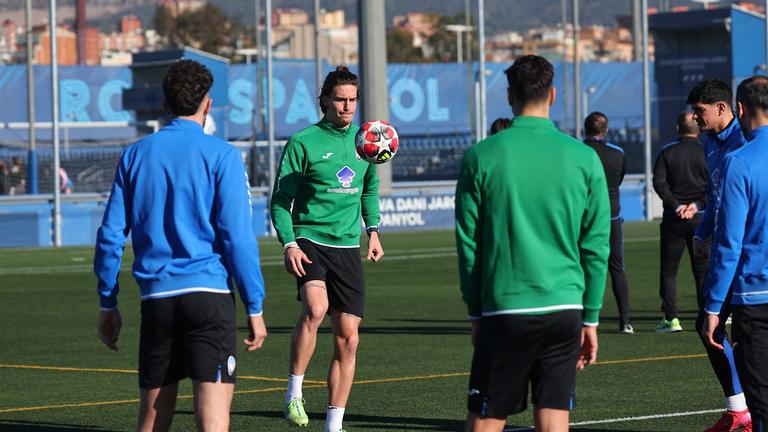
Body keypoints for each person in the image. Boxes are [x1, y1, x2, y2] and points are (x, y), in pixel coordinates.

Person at [93, 59, 267, 432]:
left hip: (156, 301)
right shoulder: (222, 155)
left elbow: (110, 236)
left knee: (153, 419)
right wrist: (254, 304)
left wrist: (108, 302)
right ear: (207, 104)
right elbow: (237, 237)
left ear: (165, 103)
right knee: (213, 421)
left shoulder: (135, 155)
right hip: (209, 297)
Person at [456, 55, 610, 432]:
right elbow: (596, 245)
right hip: (565, 308)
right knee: (554, 418)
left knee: (487, 420)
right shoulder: (584, 158)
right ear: (553, 94)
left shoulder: (481, 156)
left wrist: (476, 312)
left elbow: (468, 245)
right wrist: (590, 316)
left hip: (506, 308)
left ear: (509, 96)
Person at [271, 65, 383, 432]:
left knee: (349, 339)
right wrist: (288, 243)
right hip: (309, 239)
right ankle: (294, 394)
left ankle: (333, 424)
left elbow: (369, 190)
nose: (347, 107)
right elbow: (280, 201)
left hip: (347, 246)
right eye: (340, 99)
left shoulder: (366, 143)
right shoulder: (303, 142)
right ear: (324, 101)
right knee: (316, 309)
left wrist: (374, 230)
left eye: (352, 100)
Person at [687, 79, 751, 432]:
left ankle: (745, 410)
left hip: (748, 253)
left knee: (746, 332)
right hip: (725, 251)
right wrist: (701, 231)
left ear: (723, 109)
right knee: (707, 327)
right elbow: (716, 196)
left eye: (700, 111)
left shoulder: (746, 144)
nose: (695, 118)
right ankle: (739, 409)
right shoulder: (710, 144)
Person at [704, 75, 768, 431]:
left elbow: (729, 242)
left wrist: (714, 307)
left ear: (740, 109)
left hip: (755, 300)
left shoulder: (739, 161)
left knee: (762, 406)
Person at [652, 111, 708, 334]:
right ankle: (707, 314)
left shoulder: (666, 152)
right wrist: (696, 205)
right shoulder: (707, 152)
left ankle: (671, 319)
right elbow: (714, 186)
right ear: (698, 128)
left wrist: (676, 206)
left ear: (677, 128)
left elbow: (659, 182)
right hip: (701, 220)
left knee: (669, 270)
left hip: (673, 221)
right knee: (703, 270)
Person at [583, 111, 633, 334]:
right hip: (611, 214)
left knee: (580, 265)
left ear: (586, 130)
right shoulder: (617, 153)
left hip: (583, 215)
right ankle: (625, 322)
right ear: (605, 130)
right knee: (617, 267)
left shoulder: (579, 152)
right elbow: (619, 179)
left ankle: (580, 319)